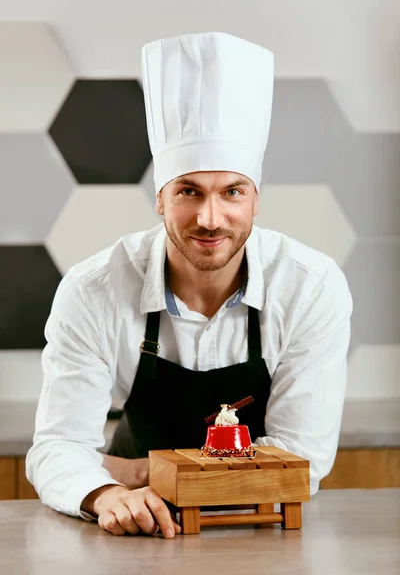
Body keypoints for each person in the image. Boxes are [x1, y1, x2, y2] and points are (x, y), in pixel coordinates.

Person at [26, 32, 353, 539]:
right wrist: (109, 491)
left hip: (261, 530)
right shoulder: (94, 289)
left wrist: (153, 473)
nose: (210, 217)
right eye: (189, 191)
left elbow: (301, 459)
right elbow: (57, 447)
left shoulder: (310, 287)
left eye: (232, 192)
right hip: (132, 527)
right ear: (160, 197)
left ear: (256, 199)